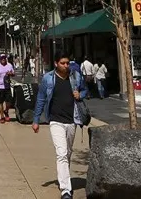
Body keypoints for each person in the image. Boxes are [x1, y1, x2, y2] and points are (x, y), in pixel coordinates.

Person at [32, 53, 88, 199]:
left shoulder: (75, 76)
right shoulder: (48, 78)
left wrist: (80, 95)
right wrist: (36, 119)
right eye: (63, 63)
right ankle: (65, 190)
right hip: (55, 121)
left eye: (67, 63)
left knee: (68, 153)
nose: (66, 65)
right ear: (56, 63)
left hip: (72, 120)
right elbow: (41, 98)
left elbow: (85, 90)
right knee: (61, 153)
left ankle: (64, 177)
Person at [0, 53, 15, 124]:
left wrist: (10, 74)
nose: (3, 59)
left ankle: (6, 110)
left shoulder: (9, 65)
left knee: (9, 102)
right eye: (2, 58)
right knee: (0, 102)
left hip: (7, 86)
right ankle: (2, 116)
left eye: (4, 58)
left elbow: (13, 74)